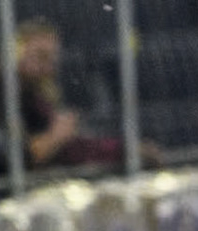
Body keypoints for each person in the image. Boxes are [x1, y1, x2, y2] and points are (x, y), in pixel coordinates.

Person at [15, 19, 157, 170]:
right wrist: (57, 135)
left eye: (53, 58)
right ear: (14, 53)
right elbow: (21, 157)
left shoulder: (39, 94)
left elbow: (75, 149)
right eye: (41, 56)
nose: (49, 67)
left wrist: (122, 150)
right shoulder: (7, 96)